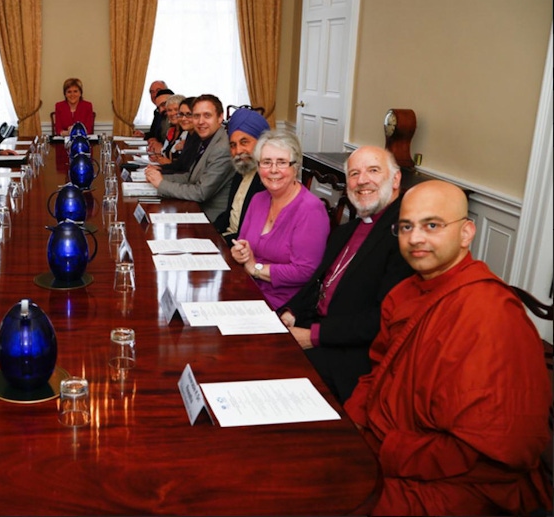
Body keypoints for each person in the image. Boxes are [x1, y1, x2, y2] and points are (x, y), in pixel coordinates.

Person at [344, 180, 552, 516]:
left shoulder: (492, 314)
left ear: (466, 233)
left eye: (432, 225)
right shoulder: (403, 294)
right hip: (384, 443)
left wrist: (388, 453)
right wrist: (351, 424)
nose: (416, 238)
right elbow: (377, 371)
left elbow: (499, 447)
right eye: (406, 226)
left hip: (457, 482)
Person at [277, 146, 413, 402]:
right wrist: (290, 312)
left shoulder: (404, 237)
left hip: (351, 354)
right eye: (354, 173)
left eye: (373, 171)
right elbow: (316, 283)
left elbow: (383, 317)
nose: (362, 180)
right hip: (315, 329)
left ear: (396, 180)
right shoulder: (345, 231)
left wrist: (312, 337)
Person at [229, 129, 328, 310]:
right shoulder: (258, 199)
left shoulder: (310, 210)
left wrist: (255, 269)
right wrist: (240, 253)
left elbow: (305, 271)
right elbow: (244, 245)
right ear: (258, 167)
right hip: (248, 289)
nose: (273, 170)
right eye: (266, 162)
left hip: (285, 305)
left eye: (282, 162)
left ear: (295, 167)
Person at [144, 94, 234, 223]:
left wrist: (161, 184)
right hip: (192, 209)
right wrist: (158, 177)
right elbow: (189, 177)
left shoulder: (222, 148)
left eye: (207, 115)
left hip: (210, 220)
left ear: (220, 117)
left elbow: (201, 192)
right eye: (196, 116)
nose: (200, 121)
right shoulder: (207, 139)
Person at [213, 108, 271, 243]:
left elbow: (255, 234)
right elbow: (230, 215)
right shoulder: (242, 169)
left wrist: (220, 241)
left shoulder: (269, 179)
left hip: (242, 247)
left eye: (244, 142)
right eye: (233, 145)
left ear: (262, 142)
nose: (238, 151)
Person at [160, 97, 201, 175]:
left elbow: (186, 171)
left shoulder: (192, 134)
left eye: (188, 114)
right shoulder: (188, 133)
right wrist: (159, 169)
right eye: (181, 114)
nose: (184, 118)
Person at [152, 94, 185, 165]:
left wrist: (170, 163)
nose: (172, 113)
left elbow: (186, 166)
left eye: (176, 109)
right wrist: (158, 157)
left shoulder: (188, 134)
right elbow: (164, 153)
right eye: (169, 110)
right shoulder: (171, 131)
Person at [145, 86, 174, 153]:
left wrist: (161, 149)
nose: (161, 110)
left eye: (164, 104)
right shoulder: (160, 114)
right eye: (158, 107)